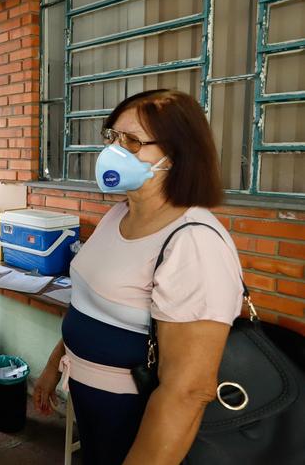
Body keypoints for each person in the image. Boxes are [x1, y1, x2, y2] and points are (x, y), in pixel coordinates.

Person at [33, 90, 244, 465]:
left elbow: (188, 390)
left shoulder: (193, 240)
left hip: (136, 417)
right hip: (89, 402)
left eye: (132, 141)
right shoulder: (119, 215)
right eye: (112, 136)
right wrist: (54, 365)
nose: (114, 149)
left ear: (177, 153)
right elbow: (86, 304)